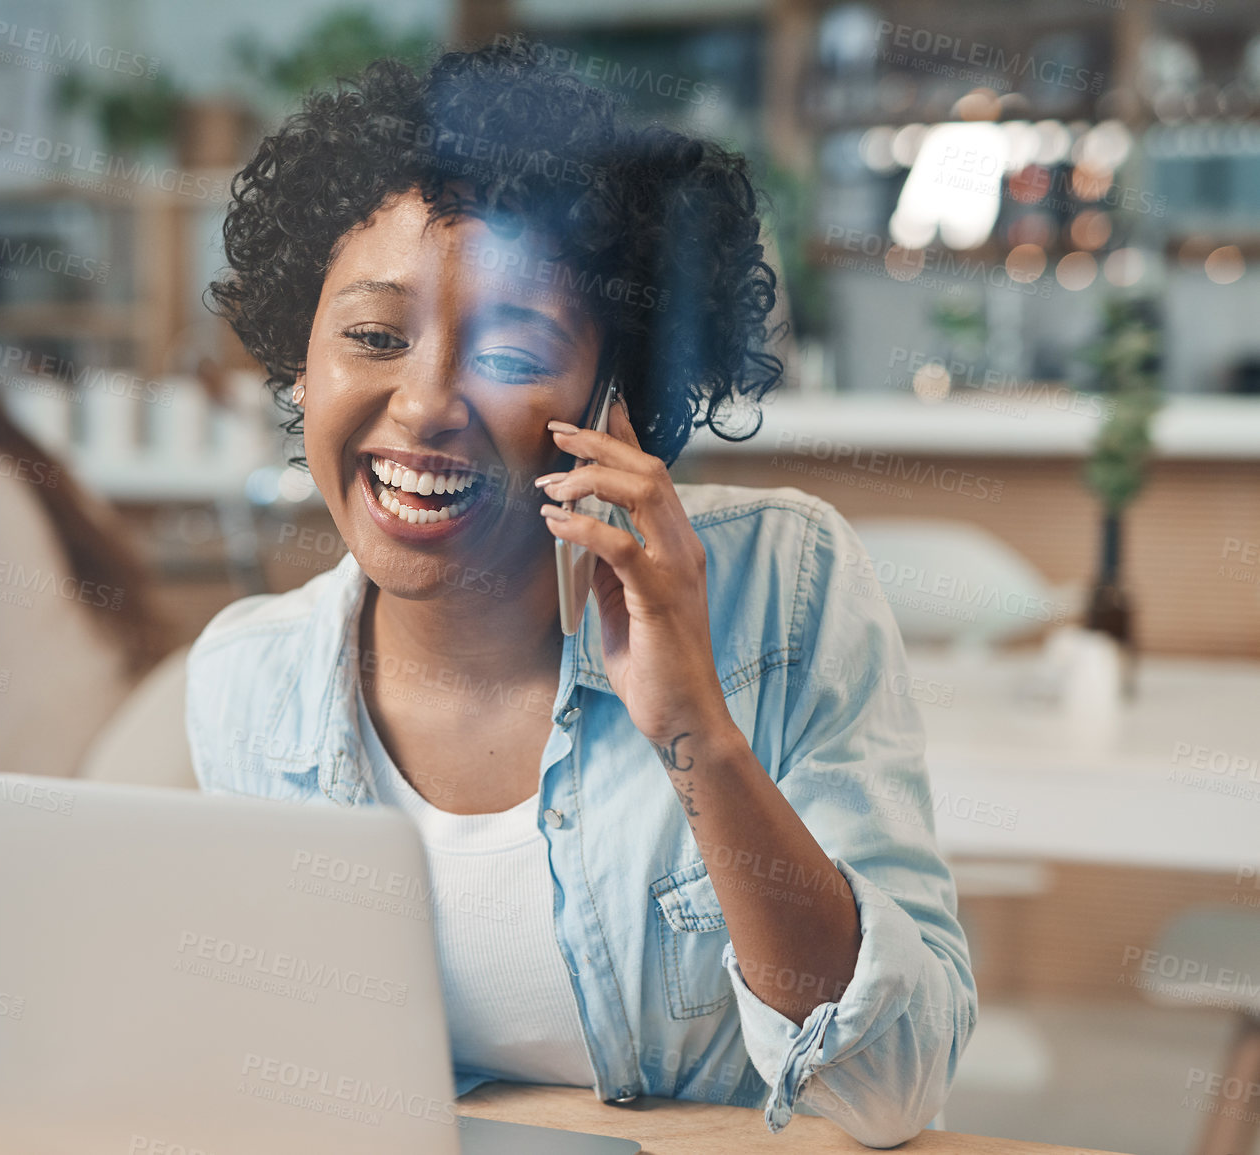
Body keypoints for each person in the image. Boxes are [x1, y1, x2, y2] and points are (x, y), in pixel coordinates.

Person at [185, 38, 974, 1146]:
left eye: (509, 355)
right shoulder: (244, 683)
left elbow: (887, 1090)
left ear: (623, 397)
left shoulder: (784, 585)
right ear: (299, 361)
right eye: (373, 338)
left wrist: (694, 724)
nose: (421, 408)